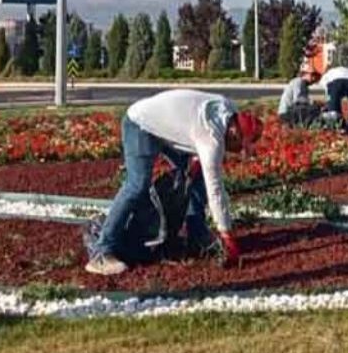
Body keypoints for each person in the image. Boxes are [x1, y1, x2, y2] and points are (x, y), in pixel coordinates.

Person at [85, 89, 263, 276]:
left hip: (165, 128)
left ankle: (197, 238)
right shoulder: (211, 140)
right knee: (137, 185)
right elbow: (215, 192)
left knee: (196, 175)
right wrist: (227, 235)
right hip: (140, 124)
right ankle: (101, 253)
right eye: (240, 146)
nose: (237, 151)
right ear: (234, 132)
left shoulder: (228, 109)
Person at [320, 62, 348, 138]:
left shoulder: (326, 76)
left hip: (337, 81)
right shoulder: (346, 70)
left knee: (334, 109)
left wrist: (330, 107)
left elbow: (329, 95)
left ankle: (339, 127)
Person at [277, 63, 322, 127]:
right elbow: (299, 101)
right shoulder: (299, 82)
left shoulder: (303, 85)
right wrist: (313, 103)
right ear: (304, 74)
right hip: (287, 113)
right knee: (314, 110)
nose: (314, 78)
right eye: (312, 75)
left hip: (291, 112)